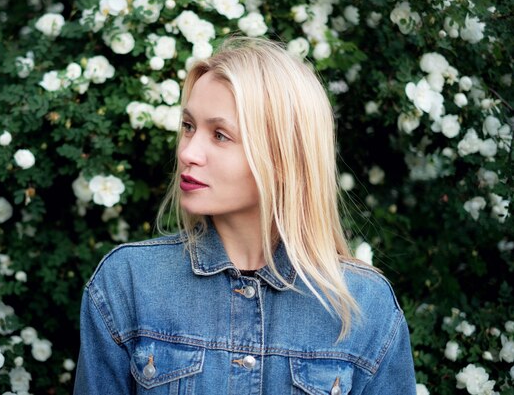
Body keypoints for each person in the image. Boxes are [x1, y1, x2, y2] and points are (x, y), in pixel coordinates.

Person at [74, 36, 416, 394]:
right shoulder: (128, 281)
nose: (189, 152)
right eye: (188, 126)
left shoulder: (365, 305)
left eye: (220, 135)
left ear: (284, 159)